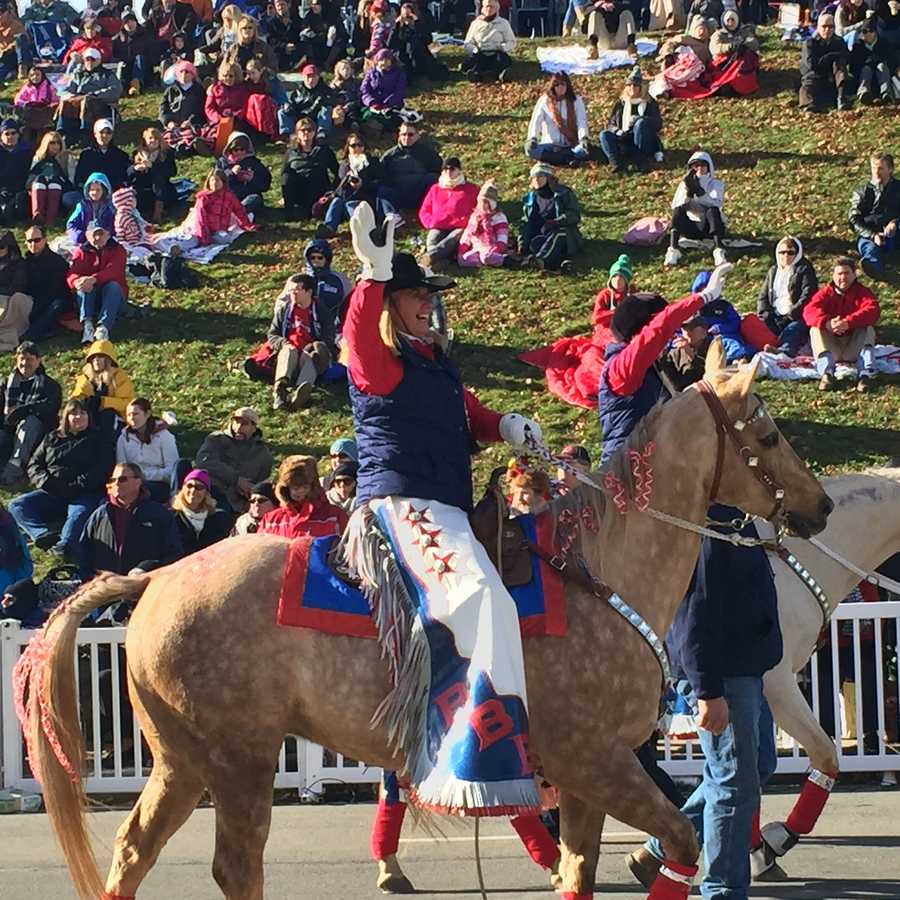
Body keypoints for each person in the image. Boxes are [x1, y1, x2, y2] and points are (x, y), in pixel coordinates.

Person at [344, 202, 543, 814]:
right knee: (483, 597)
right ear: (392, 305)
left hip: (443, 502)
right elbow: (354, 332)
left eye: (430, 296)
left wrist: (504, 424)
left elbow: (468, 415)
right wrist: (372, 275)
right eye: (418, 296)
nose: (430, 304)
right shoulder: (376, 357)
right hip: (401, 501)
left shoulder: (435, 364)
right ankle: (482, 754)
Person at [629, 504, 782, 900]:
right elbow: (692, 617)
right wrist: (708, 691)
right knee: (733, 784)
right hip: (725, 677)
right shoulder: (711, 531)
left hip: (744, 672)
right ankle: (723, 891)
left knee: (752, 768)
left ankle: (661, 848)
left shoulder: (736, 524)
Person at [598, 265, 729, 463]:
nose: (667, 340)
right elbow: (658, 330)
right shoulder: (620, 370)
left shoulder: (652, 369)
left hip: (654, 468)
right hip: (625, 474)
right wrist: (704, 297)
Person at [9, 397, 112, 560]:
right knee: (17, 506)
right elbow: (34, 464)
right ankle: (42, 535)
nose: (79, 417)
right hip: (52, 492)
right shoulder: (52, 438)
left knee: (78, 516)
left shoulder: (99, 439)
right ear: (66, 417)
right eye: (74, 413)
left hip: (82, 494)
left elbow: (101, 469)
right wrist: (46, 481)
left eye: (83, 413)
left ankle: (63, 546)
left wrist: (75, 485)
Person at [78, 461, 183, 579]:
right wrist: (88, 579)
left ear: (138, 482)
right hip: (107, 590)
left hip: (144, 588)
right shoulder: (99, 515)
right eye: (113, 480)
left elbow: (173, 553)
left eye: (122, 479)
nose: (116, 483)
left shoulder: (159, 514)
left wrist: (147, 569)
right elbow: (85, 552)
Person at [243, 273, 333, 411]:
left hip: (307, 354)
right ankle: (280, 390)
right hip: (288, 353)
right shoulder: (285, 310)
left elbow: (328, 338)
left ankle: (301, 392)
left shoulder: (321, 311)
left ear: (309, 292)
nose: (293, 294)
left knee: (312, 357)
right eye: (291, 290)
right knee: (289, 350)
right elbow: (272, 334)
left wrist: (311, 347)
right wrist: (283, 343)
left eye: (297, 290)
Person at [802, 256, 881, 393]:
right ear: (833, 276)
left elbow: (873, 310)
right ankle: (827, 374)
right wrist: (827, 323)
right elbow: (809, 311)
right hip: (833, 348)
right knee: (815, 329)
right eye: (839, 274)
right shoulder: (826, 293)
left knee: (868, 329)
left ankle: (866, 374)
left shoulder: (862, 292)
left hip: (853, 346)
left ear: (854, 275)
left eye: (847, 273)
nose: (843, 278)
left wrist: (848, 322)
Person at [0, 341, 62, 486]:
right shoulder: (6, 384)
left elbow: (50, 410)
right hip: (8, 429)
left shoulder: (49, 385)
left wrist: (25, 410)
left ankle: (15, 466)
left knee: (29, 422)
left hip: (36, 435)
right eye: (21, 359)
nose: (24, 363)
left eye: (29, 359)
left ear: (38, 361)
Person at [194, 406, 274, 513]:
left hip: (240, 502)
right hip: (211, 493)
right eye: (236, 422)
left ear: (254, 428)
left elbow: (262, 482)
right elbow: (204, 461)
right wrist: (236, 480)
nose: (239, 427)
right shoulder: (216, 440)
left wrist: (251, 490)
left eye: (244, 424)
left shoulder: (263, 453)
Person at [316, 133, 390, 239]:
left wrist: (362, 184)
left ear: (364, 146)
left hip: (366, 201)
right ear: (348, 148)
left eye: (360, 145)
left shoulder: (373, 163)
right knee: (337, 201)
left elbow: (381, 181)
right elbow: (337, 189)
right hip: (347, 201)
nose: (357, 148)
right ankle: (329, 228)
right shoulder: (344, 165)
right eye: (353, 146)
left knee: (353, 205)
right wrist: (346, 182)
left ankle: (367, 231)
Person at [257, 454, 348, 538]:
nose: (300, 491)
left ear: (313, 486)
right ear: (286, 487)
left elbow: (348, 550)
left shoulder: (335, 516)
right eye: (295, 487)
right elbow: (259, 550)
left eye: (305, 486)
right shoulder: (270, 520)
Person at [756, 236, 818, 357]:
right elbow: (763, 296)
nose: (786, 256)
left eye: (790, 253)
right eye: (782, 252)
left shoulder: (804, 269)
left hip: (795, 316)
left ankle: (784, 351)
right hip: (774, 314)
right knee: (752, 324)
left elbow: (808, 294)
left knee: (794, 328)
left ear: (797, 253)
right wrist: (765, 313)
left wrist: (791, 314)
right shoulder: (773, 270)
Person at [66, 221, 127, 344]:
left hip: (114, 299)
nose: (98, 238)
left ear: (108, 235)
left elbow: (114, 271)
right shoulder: (80, 252)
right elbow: (72, 273)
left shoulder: (119, 250)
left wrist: (93, 279)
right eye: (94, 235)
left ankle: (103, 327)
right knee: (84, 286)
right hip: (91, 296)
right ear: (88, 236)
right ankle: (87, 325)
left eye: (101, 234)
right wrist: (76, 281)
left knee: (113, 286)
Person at [665, 150, 727, 268]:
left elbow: (716, 203)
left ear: (709, 166)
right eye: (696, 165)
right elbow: (676, 205)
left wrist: (699, 192)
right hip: (691, 227)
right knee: (678, 211)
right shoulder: (684, 184)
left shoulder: (716, 184)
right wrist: (688, 194)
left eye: (703, 165)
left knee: (712, 211)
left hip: (709, 226)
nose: (699, 168)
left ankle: (718, 250)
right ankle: (673, 250)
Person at [517, 162, 583, 274]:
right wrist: (522, 241)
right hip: (540, 235)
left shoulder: (563, 194)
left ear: (549, 178)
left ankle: (540, 260)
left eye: (541, 176)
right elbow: (526, 221)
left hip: (565, 235)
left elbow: (574, 215)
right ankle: (529, 258)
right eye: (534, 177)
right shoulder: (530, 198)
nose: (537, 179)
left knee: (558, 234)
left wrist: (556, 222)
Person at [417, 156, 479, 270]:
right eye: (446, 169)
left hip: (460, 226)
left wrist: (468, 222)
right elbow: (424, 210)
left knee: (453, 239)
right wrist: (431, 222)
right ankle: (440, 262)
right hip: (439, 225)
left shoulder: (471, 189)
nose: (449, 172)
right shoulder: (435, 189)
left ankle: (430, 258)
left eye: (452, 169)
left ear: (459, 170)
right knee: (432, 238)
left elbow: (479, 209)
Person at [599, 66, 663, 175]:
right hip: (624, 138)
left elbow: (658, 124)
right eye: (629, 85)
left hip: (643, 141)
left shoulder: (649, 103)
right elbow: (611, 124)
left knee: (640, 124)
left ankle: (641, 161)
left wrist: (640, 119)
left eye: (635, 85)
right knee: (603, 134)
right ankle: (616, 164)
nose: (632, 87)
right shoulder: (620, 104)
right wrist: (617, 131)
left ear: (641, 87)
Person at [116, 398, 179, 502]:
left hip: (159, 485)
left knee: (139, 493)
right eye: (128, 415)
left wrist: (144, 476)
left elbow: (172, 471)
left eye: (136, 414)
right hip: (131, 483)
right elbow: (121, 468)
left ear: (148, 414)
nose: (132, 418)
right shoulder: (123, 438)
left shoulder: (164, 436)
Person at [55, 47, 123, 144]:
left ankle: (85, 132)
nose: (89, 62)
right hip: (78, 102)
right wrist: (68, 95)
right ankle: (63, 132)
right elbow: (67, 89)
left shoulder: (107, 74)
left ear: (98, 61)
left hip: (99, 103)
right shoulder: (78, 74)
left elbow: (116, 90)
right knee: (66, 101)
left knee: (87, 100)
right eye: (87, 59)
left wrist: (95, 94)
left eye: (93, 59)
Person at [849, 152, 900, 281]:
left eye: (881, 168)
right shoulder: (862, 191)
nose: (876, 172)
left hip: (895, 232)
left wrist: (895, 222)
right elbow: (854, 219)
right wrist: (873, 235)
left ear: (890, 169)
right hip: (870, 235)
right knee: (869, 249)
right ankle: (876, 269)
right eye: (873, 168)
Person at [71, 338, 136, 438]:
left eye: (100, 356)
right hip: (91, 417)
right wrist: (82, 400)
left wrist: (102, 402)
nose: (96, 359)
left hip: (117, 419)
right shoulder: (85, 377)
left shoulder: (119, 377)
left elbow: (127, 403)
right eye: (94, 357)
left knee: (107, 414)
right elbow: (76, 397)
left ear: (108, 359)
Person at [525, 72, 591, 168]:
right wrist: (532, 138)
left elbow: (582, 122)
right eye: (557, 85)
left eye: (563, 84)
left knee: (584, 150)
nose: (560, 87)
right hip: (550, 146)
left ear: (567, 85)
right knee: (530, 150)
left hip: (570, 145)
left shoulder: (576, 100)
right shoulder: (544, 101)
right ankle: (567, 159)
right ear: (553, 86)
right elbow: (536, 121)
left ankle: (558, 159)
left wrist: (584, 138)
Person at [280, 117, 339, 221]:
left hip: (318, 189)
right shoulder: (290, 152)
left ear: (314, 132)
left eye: (309, 130)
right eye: (303, 130)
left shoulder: (324, 150)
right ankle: (289, 212)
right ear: (297, 133)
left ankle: (314, 210)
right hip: (298, 190)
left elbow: (337, 171)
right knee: (287, 177)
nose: (306, 132)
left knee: (315, 172)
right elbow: (284, 173)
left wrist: (333, 190)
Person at [22, 223, 72, 342]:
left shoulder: (57, 262)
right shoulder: (25, 262)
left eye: (37, 240)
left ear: (45, 240)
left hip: (56, 299)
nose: (33, 244)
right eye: (29, 241)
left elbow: (56, 290)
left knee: (55, 307)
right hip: (32, 299)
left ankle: (30, 337)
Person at [378, 120, 441, 212]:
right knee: (382, 188)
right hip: (398, 194)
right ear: (399, 136)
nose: (407, 138)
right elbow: (381, 175)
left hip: (420, 194)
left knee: (433, 178)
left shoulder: (428, 153)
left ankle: (433, 211)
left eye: (410, 134)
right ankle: (391, 216)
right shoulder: (389, 155)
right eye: (403, 134)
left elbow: (438, 171)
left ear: (417, 136)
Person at [186, 167, 256, 248]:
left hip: (219, 229)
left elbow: (239, 210)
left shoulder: (229, 196)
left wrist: (247, 225)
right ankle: (176, 248)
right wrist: (204, 236)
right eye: (212, 180)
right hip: (204, 229)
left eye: (218, 180)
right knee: (193, 240)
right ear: (208, 182)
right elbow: (200, 219)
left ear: (223, 182)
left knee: (225, 240)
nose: (215, 183)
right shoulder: (204, 198)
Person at [171, 467, 234, 554]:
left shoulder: (217, 518)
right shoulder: (171, 517)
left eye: (199, 487)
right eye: (189, 486)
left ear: (206, 493)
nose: (193, 490)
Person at [457, 180, 517, 268]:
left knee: (486, 256)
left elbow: (502, 234)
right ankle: (484, 262)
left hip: (492, 247)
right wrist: (463, 246)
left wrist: (499, 247)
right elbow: (468, 233)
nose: (482, 205)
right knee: (464, 259)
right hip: (477, 247)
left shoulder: (498, 217)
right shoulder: (475, 216)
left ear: (491, 204)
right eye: (481, 202)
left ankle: (505, 260)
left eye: (486, 202)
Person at [799, 14, 850, 112]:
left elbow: (847, 57)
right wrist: (830, 56)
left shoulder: (839, 41)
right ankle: (808, 105)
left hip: (833, 76)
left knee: (839, 64)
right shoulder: (810, 43)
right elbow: (812, 65)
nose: (827, 29)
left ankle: (841, 99)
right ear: (818, 27)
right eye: (824, 26)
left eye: (831, 27)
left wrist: (831, 59)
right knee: (807, 86)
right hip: (814, 75)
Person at [279, 62, 342, 141]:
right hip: (300, 116)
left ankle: (322, 133)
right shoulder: (297, 91)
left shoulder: (326, 90)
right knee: (282, 111)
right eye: (308, 76)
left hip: (317, 118)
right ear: (303, 77)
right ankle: (287, 135)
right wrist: (287, 106)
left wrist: (324, 102)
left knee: (326, 109)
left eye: (314, 77)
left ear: (318, 77)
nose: (311, 80)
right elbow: (290, 103)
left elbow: (336, 100)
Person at [127, 127, 178, 224]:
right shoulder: (136, 154)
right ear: (145, 140)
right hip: (144, 189)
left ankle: (158, 213)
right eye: (150, 138)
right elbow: (127, 173)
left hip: (162, 190)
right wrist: (135, 169)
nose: (153, 140)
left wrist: (153, 166)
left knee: (158, 179)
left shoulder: (167, 153)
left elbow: (172, 172)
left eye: (156, 138)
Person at [389, 1, 448, 83]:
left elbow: (428, 40)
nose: (407, 19)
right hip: (404, 58)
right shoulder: (398, 28)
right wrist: (396, 25)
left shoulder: (419, 25)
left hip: (419, 57)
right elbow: (390, 44)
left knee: (416, 43)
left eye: (409, 16)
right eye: (405, 16)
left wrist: (416, 22)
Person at [215, 130, 271, 216]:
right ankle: (234, 214)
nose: (239, 152)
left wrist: (252, 178)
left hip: (247, 197)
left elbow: (265, 185)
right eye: (235, 150)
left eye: (242, 149)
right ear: (230, 149)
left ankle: (235, 213)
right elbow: (215, 183)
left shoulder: (254, 163)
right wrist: (231, 173)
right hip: (229, 196)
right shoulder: (223, 162)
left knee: (255, 199)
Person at [25, 131, 75, 227]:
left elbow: (71, 178)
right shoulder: (38, 157)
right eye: (52, 143)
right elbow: (31, 176)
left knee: (54, 182)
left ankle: (50, 220)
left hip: (60, 186)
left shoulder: (67, 157)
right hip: (39, 185)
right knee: (39, 180)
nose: (56, 146)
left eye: (58, 143)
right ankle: (37, 217)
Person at [461, 0, 516, 82]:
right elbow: (467, 43)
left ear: (497, 8)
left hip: (497, 52)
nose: (489, 9)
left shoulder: (504, 23)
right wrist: (474, 49)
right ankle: (476, 75)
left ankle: (501, 75)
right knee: (474, 62)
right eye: (487, 6)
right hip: (481, 52)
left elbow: (512, 42)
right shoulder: (476, 24)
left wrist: (503, 47)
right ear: (482, 8)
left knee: (502, 61)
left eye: (492, 7)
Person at [73, 118, 130, 193]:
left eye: (108, 132)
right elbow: (79, 178)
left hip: (114, 194)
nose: (105, 135)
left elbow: (124, 178)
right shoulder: (86, 155)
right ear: (95, 134)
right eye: (101, 132)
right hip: (91, 194)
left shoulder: (121, 155)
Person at [158, 59, 207, 146]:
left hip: (191, 125)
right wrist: (169, 122)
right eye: (181, 72)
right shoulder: (171, 90)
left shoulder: (198, 90)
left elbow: (202, 109)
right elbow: (163, 108)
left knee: (190, 135)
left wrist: (191, 121)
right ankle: (174, 146)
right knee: (168, 137)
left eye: (187, 72)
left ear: (192, 75)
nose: (184, 75)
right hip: (173, 125)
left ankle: (187, 146)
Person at [659, 313, 712, 391]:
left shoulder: (713, 347)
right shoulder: (675, 353)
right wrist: (662, 358)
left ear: (704, 332)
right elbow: (676, 385)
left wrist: (690, 354)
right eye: (684, 329)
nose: (687, 333)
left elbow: (709, 373)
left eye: (691, 329)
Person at [360, 48, 408, 133]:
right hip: (374, 104)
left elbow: (399, 91)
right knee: (366, 114)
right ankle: (372, 126)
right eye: (381, 59)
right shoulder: (371, 73)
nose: (384, 62)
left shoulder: (399, 73)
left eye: (387, 60)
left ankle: (380, 128)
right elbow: (364, 90)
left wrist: (387, 104)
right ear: (377, 60)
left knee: (392, 118)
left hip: (391, 105)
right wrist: (371, 102)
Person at [848, 17, 893, 103]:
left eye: (871, 31)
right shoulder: (857, 46)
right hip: (864, 78)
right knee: (866, 69)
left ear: (876, 32)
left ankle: (886, 93)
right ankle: (863, 93)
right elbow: (853, 68)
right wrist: (866, 64)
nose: (868, 34)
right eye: (865, 31)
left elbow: (891, 63)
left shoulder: (884, 44)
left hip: (881, 77)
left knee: (882, 66)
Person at [67, 171, 115, 246]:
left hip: (103, 237)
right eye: (92, 190)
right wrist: (82, 235)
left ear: (104, 191)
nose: (94, 192)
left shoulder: (109, 207)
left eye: (98, 190)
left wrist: (107, 234)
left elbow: (113, 224)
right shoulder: (83, 206)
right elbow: (71, 224)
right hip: (85, 237)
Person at [112, 8, 153, 97]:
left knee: (139, 58)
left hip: (141, 68)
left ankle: (136, 85)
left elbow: (150, 53)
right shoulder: (117, 39)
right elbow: (114, 55)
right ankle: (121, 88)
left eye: (132, 21)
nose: (130, 24)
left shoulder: (145, 35)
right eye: (127, 22)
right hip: (126, 67)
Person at [14, 66, 60, 143]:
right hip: (31, 111)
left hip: (44, 111)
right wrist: (25, 103)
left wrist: (50, 105)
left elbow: (56, 100)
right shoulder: (27, 87)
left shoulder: (49, 86)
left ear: (42, 75)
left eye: (37, 75)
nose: (35, 77)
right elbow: (18, 99)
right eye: (32, 75)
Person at [0, 119, 32, 227]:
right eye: (6, 134)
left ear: (18, 135)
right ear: (1, 136)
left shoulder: (26, 152)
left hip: (20, 189)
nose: (10, 136)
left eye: (13, 133)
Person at [264, 0, 301, 70]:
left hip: (296, 52)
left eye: (282, 4)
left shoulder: (297, 20)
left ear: (288, 5)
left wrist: (294, 46)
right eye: (278, 5)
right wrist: (284, 46)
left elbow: (300, 36)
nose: (280, 7)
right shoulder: (270, 23)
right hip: (279, 54)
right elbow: (271, 40)